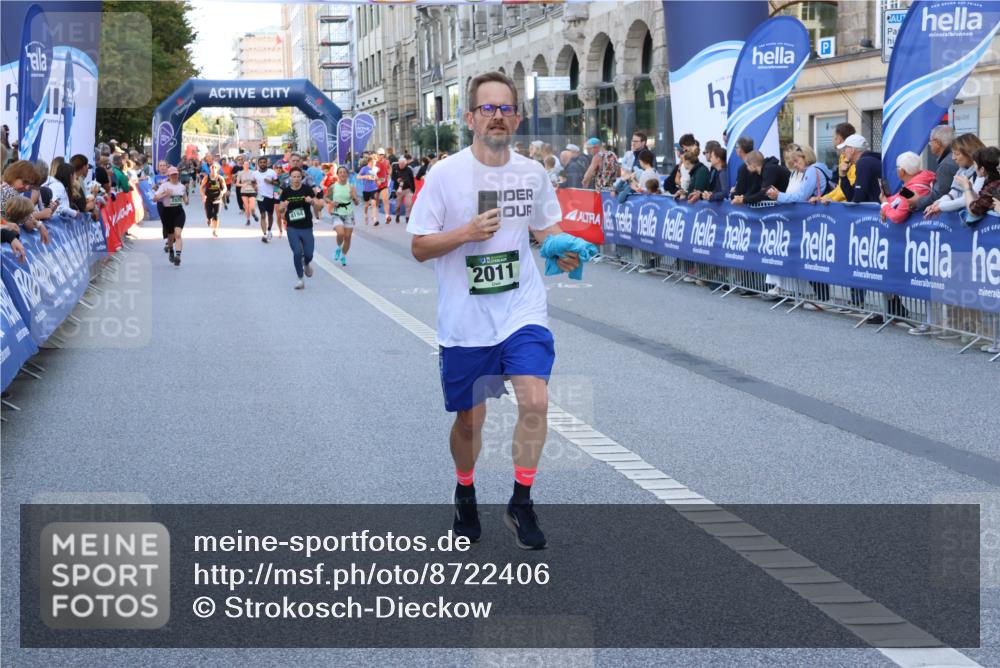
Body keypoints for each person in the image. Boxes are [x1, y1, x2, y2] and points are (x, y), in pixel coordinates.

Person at [407, 71, 581, 550]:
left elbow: (547, 232)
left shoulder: (532, 173)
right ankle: (465, 489)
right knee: (470, 421)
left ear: (518, 118)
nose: (498, 116)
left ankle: (520, 500)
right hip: (466, 319)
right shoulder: (444, 175)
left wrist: (563, 251)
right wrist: (464, 233)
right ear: (469, 118)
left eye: (506, 109)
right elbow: (420, 247)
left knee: (536, 401)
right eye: (488, 108)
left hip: (521, 309)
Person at [924, 133, 986, 217]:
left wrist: (941, 206)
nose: (953, 158)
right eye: (953, 153)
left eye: (957, 154)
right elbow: (954, 193)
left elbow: (969, 199)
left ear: (969, 153)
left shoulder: (982, 172)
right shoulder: (962, 171)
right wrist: (938, 202)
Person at [278, 166, 317, 290]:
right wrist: (283, 206)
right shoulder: (286, 192)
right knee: (297, 253)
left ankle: (306, 263)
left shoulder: (307, 189)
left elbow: (317, 204)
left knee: (309, 253)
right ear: (290, 178)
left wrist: (311, 201)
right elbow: (280, 209)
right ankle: (300, 279)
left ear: (302, 178)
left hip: (306, 226)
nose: (296, 179)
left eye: (298, 177)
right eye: (293, 177)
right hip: (292, 227)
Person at [910, 125, 957, 212]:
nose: (930, 145)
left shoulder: (946, 164)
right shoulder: (950, 159)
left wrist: (918, 201)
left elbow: (939, 195)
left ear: (937, 143)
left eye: (930, 142)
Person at [879, 151, 935, 224]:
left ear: (901, 171)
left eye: (897, 167)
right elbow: (897, 199)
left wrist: (884, 204)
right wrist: (886, 207)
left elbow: (897, 217)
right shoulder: (919, 181)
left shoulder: (910, 190)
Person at [767, 144, 832, 204]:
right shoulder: (819, 168)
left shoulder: (811, 171)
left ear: (805, 157)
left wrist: (779, 195)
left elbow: (801, 197)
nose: (794, 165)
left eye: (796, 161)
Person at [153, 167, 189, 266]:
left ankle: (178, 256)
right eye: (172, 174)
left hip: (178, 212)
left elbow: (185, 199)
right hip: (167, 212)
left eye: (176, 174)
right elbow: (154, 199)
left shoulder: (182, 186)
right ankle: (171, 250)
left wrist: (186, 200)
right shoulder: (164, 186)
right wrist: (165, 193)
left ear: (178, 175)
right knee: (170, 236)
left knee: (178, 234)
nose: (174, 176)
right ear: (168, 175)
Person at [327, 165, 361, 266]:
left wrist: (354, 198)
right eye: (340, 172)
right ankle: (338, 248)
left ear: (347, 175)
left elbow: (357, 203)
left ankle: (343, 255)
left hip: (348, 213)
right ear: (337, 174)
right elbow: (325, 198)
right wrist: (332, 202)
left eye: (344, 172)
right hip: (337, 212)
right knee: (340, 233)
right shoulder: (333, 186)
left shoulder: (351, 187)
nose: (342, 174)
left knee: (348, 237)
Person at [836, 134, 881, 203]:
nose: (843, 153)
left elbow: (857, 199)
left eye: (845, 149)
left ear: (852, 150)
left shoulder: (864, 163)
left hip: (878, 212)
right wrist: (843, 176)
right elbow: (852, 196)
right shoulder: (868, 161)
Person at [254, 157, 280, 242]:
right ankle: (264, 234)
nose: (262, 164)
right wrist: (254, 187)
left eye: (264, 162)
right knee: (262, 215)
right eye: (260, 162)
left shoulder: (271, 172)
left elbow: (278, 183)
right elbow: (252, 182)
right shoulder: (255, 174)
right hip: (260, 197)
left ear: (267, 163)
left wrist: (270, 182)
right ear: (258, 164)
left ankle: (269, 230)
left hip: (270, 197)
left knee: (270, 215)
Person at [200, 162, 227, 237]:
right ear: (210, 169)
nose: (213, 169)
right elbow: (201, 187)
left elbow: (225, 187)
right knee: (209, 215)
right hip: (208, 198)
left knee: (216, 215)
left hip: (217, 198)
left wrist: (222, 192)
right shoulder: (206, 177)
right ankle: (209, 219)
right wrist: (203, 195)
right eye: (212, 167)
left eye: (215, 167)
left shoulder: (220, 178)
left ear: (217, 169)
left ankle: (215, 231)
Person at [729, 136, 759, 200]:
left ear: (740, 149)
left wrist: (732, 193)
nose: (735, 149)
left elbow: (739, 191)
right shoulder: (758, 163)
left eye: (736, 147)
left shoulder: (743, 168)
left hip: (747, 205)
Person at [235, 158, 259, 227]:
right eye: (245, 164)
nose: (246, 165)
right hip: (244, 191)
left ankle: (253, 214)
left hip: (252, 190)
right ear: (243, 165)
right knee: (247, 207)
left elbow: (256, 182)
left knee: (252, 207)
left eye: (247, 164)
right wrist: (242, 184)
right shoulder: (240, 173)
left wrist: (254, 184)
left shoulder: (253, 172)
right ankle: (248, 220)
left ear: (249, 165)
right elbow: (237, 183)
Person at [358, 155, 380, 225]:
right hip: (366, 189)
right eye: (374, 162)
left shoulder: (375, 168)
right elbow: (358, 176)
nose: (375, 163)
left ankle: (374, 219)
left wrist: (378, 179)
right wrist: (365, 176)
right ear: (370, 161)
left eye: (375, 162)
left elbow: (376, 176)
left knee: (374, 204)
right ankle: (366, 215)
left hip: (373, 188)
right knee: (366, 205)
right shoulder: (364, 169)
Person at [394, 155, 416, 223]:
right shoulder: (395, 168)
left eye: (403, 164)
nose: (401, 165)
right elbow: (392, 178)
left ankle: (407, 218)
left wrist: (413, 190)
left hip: (407, 189)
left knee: (408, 204)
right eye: (400, 164)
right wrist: (397, 179)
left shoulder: (408, 169)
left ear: (405, 164)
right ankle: (397, 215)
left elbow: (412, 180)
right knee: (398, 206)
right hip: (399, 190)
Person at [376, 148, 392, 225]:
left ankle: (387, 216)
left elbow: (389, 168)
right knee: (375, 202)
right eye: (380, 155)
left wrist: (389, 174)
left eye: (382, 154)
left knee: (386, 200)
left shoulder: (387, 161)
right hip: (375, 185)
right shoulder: (374, 162)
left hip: (384, 184)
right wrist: (377, 179)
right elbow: (371, 172)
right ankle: (375, 219)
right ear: (377, 155)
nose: (381, 156)